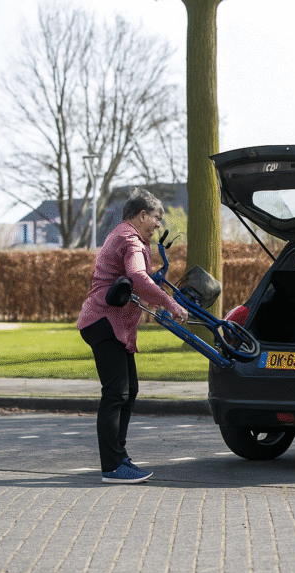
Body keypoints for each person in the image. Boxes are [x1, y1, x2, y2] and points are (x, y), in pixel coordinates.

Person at [76, 188, 188, 483]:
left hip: (106, 322)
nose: (157, 225)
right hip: (104, 321)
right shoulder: (131, 239)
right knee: (116, 393)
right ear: (142, 215)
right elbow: (138, 278)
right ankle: (113, 466)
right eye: (156, 218)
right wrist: (169, 302)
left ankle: (119, 458)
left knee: (129, 390)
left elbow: (136, 278)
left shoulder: (121, 235)